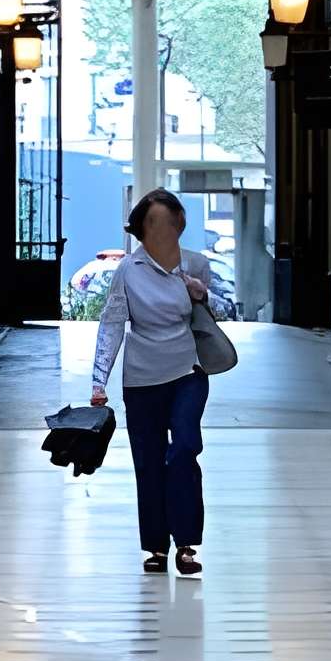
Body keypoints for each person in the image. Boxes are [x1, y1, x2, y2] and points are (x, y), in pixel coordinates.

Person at [89, 188, 231, 575]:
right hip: (141, 379)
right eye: (156, 223)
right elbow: (112, 323)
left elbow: (225, 310)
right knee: (148, 460)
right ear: (143, 229)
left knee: (184, 448)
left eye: (171, 222)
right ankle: (156, 546)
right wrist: (99, 381)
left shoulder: (195, 263)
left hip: (188, 372)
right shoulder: (128, 270)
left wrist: (202, 295)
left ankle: (186, 543)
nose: (165, 231)